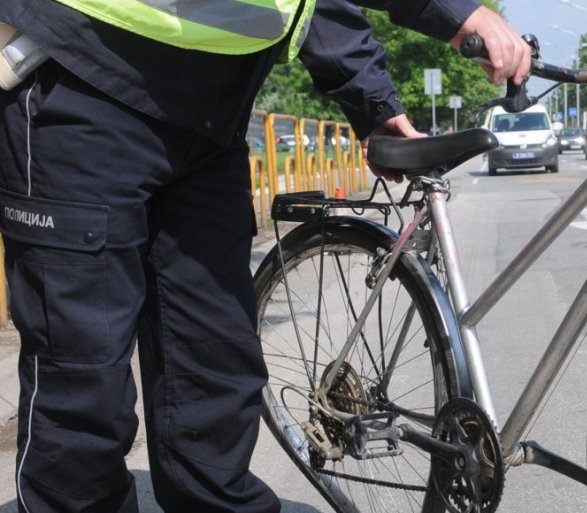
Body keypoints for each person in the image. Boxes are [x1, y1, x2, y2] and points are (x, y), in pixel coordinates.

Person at [0, 1, 530, 512]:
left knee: (214, 362)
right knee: (82, 383)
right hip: (81, 75)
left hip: (210, 122)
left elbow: (298, 6)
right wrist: (454, 13)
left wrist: (372, 103)